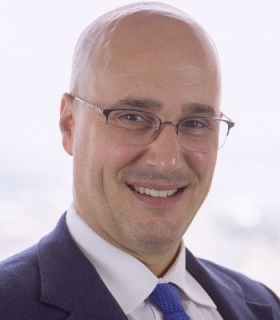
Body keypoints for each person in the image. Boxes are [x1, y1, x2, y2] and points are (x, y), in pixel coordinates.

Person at [0, 2, 279, 319]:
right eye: (132, 117)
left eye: (196, 123)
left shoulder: (264, 307)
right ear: (69, 124)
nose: (168, 161)